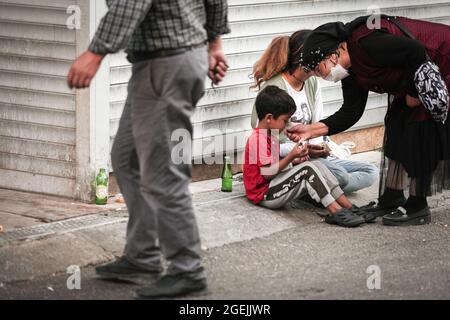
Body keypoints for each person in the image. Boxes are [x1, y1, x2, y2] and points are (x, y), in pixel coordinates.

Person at [67, 0, 230, 298]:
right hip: (166, 62)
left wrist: (95, 52)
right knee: (128, 158)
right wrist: (214, 42)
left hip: (165, 64)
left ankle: (187, 269)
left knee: (162, 173)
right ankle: (143, 255)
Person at [288, 15, 450, 226]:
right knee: (395, 124)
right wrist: (311, 130)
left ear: (334, 53)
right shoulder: (351, 71)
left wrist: (412, 93)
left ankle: (418, 205)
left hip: (441, 60)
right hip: (411, 75)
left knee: (417, 126)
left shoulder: (367, 43)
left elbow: (416, 50)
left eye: (320, 70)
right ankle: (392, 197)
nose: (323, 77)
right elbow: (351, 112)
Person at [250, 31, 379, 195]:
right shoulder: (274, 88)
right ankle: (314, 188)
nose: (332, 60)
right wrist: (301, 151)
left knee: (371, 172)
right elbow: (261, 140)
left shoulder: (312, 83)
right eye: (327, 55)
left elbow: (317, 124)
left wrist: (320, 148)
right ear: (309, 55)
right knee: (342, 177)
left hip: (310, 155)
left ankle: (315, 189)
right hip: (288, 159)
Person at [244, 86, 365, 228]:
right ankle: (335, 211)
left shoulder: (271, 136)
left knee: (318, 165)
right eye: (285, 120)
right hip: (264, 194)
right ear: (270, 118)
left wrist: (300, 156)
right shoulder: (257, 139)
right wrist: (291, 156)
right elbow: (267, 174)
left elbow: (275, 164)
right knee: (307, 169)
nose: (287, 124)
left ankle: (349, 207)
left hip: (274, 186)